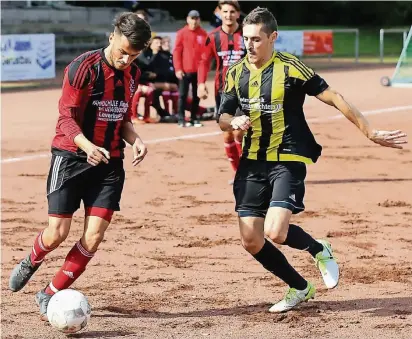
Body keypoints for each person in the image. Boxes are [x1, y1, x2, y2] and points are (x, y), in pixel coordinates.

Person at [218, 7, 407, 313]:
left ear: (272, 38)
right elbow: (223, 113)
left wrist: (368, 130)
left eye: (256, 39)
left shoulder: (292, 68)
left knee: (276, 232)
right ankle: (299, 287)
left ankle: (318, 248)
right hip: (251, 162)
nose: (249, 45)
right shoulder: (236, 72)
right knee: (251, 241)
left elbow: (334, 96)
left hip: (287, 157)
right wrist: (232, 121)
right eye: (246, 39)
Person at [8, 12, 152, 320]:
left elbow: (121, 118)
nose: (126, 60)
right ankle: (32, 260)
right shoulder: (82, 68)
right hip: (71, 157)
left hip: (110, 163)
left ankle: (50, 292)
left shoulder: (133, 75)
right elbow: (66, 119)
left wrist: (135, 139)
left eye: (133, 55)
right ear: (111, 37)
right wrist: (87, 146)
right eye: (122, 52)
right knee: (56, 233)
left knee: (94, 236)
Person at [198, 0, 246, 184]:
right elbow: (204, 61)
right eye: (225, 11)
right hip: (223, 91)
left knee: (240, 131)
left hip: (246, 90)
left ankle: (249, 168)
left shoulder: (247, 34)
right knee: (227, 132)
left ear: (238, 14)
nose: (228, 15)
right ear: (219, 13)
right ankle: (239, 173)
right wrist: (201, 83)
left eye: (232, 11)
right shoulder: (213, 37)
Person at [173, 10, 208, 127]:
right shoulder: (182, 33)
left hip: (198, 71)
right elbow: (177, 52)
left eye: (196, 18)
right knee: (182, 95)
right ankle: (181, 118)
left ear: (199, 20)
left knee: (196, 96)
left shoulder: (203, 34)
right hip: (184, 71)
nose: (194, 21)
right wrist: (178, 68)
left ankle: (193, 118)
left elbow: (205, 54)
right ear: (188, 19)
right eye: (192, 18)